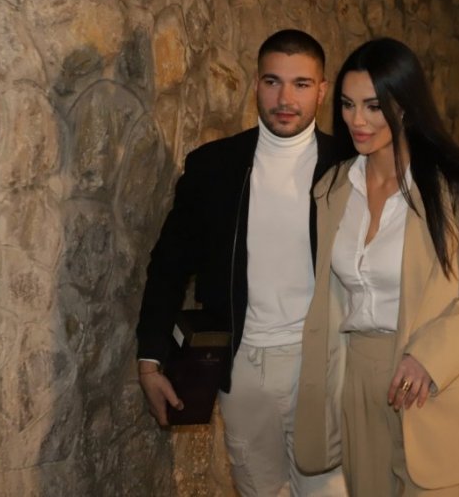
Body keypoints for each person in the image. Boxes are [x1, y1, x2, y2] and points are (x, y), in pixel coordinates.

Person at [293, 38, 459, 496]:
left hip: (433, 383)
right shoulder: (332, 188)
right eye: (348, 105)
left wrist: (429, 358)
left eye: (374, 106)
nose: (357, 120)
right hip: (357, 380)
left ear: (405, 106)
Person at [136, 29, 347, 496]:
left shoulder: (349, 166)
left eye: (301, 84)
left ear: (322, 90)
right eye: (273, 82)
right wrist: (150, 361)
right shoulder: (213, 167)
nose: (285, 99)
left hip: (325, 369)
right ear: (255, 85)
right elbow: (168, 266)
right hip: (244, 371)